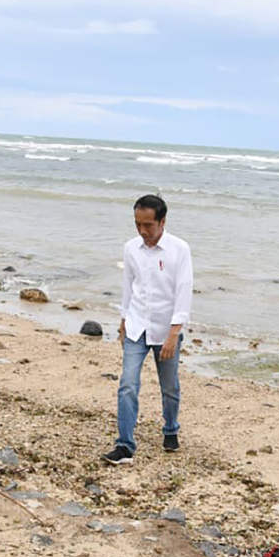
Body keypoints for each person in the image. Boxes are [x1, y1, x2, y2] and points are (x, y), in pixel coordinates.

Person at [102, 194, 193, 465]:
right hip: (136, 326)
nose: (143, 231)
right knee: (127, 384)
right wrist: (122, 321)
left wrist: (174, 333)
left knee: (169, 387)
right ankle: (125, 445)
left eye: (148, 225)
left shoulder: (179, 249)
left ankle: (171, 429)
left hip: (167, 329)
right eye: (137, 224)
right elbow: (128, 286)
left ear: (162, 222)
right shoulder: (131, 248)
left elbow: (183, 291)